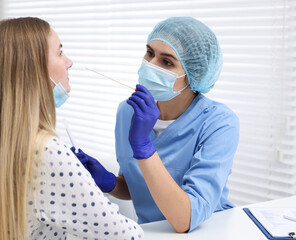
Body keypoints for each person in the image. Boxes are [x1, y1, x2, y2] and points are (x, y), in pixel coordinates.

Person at [0, 17, 144, 240]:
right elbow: (127, 236)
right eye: (60, 52)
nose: (69, 62)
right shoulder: (46, 153)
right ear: (32, 69)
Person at [72, 16, 239, 233]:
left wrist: (144, 147)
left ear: (193, 75)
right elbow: (139, 188)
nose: (150, 65)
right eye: (149, 53)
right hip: (152, 233)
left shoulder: (219, 123)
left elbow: (186, 219)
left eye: (166, 61)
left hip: (207, 231)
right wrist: (110, 182)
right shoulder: (128, 112)